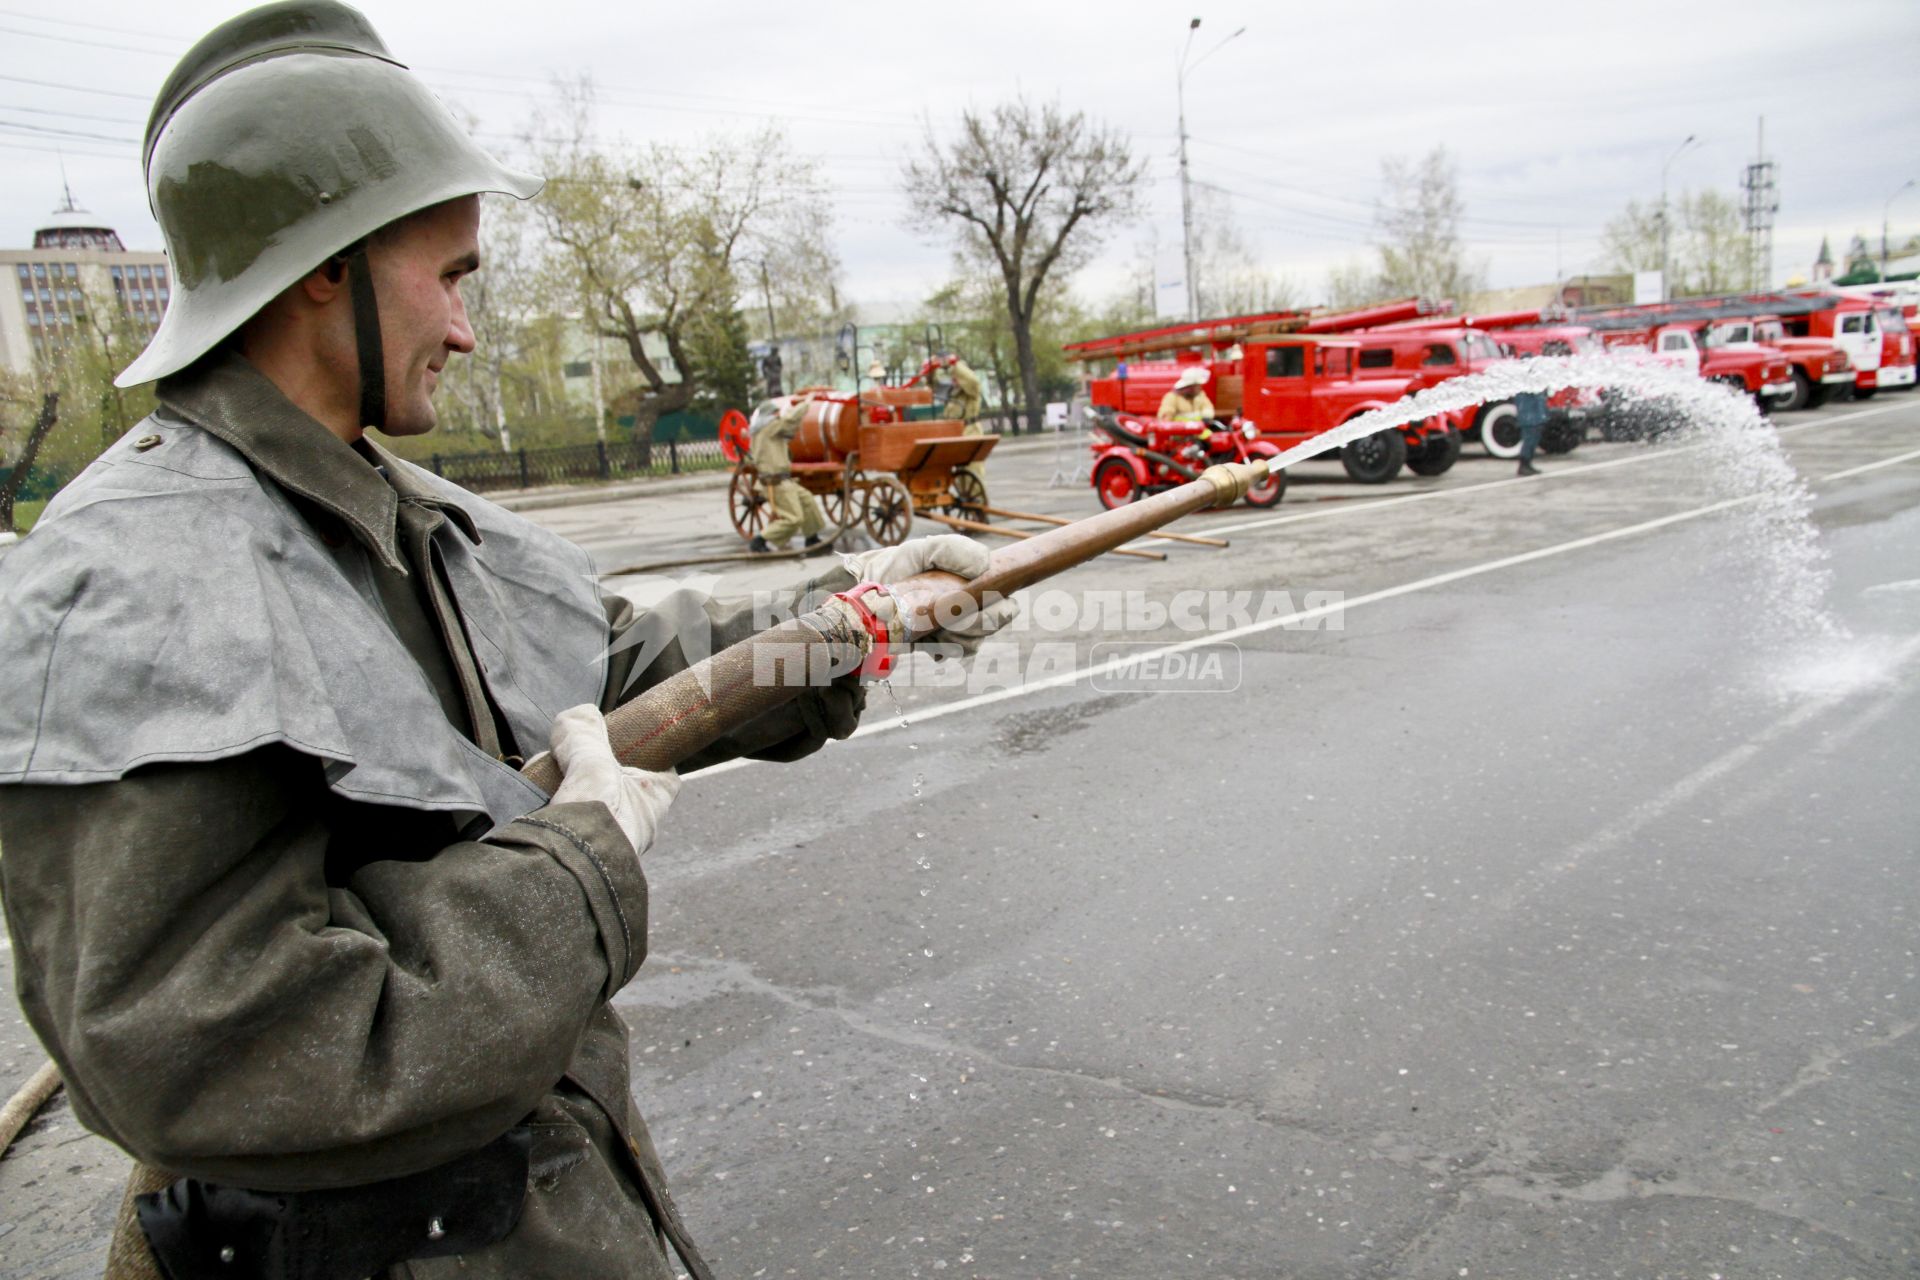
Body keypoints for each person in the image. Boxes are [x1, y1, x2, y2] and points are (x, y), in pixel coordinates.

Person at [0, 5, 1012, 1277]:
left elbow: (623, 666)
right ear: (328, 262)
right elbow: (209, 1048)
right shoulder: (134, 579)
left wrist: (852, 612)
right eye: (454, 276)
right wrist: (573, 871)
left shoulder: (414, 517)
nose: (470, 329)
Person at [747, 392, 828, 553]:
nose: (778, 416)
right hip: (775, 483)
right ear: (767, 416)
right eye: (775, 413)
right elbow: (790, 420)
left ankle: (811, 538)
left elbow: (789, 427)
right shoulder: (767, 428)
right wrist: (807, 403)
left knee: (807, 500)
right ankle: (760, 540)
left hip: (785, 480)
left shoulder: (770, 430)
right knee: (794, 518)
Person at [941, 354, 989, 502]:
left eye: (958, 376)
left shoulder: (972, 391)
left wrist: (956, 365)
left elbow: (972, 380)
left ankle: (978, 500)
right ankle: (966, 499)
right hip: (956, 434)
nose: (955, 379)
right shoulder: (954, 395)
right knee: (960, 471)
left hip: (970, 432)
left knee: (972, 469)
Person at [1515, 389, 1549, 476]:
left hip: (1534, 413)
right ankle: (1524, 464)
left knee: (1533, 438)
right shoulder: (1527, 385)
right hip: (1529, 414)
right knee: (1529, 439)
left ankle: (1527, 463)